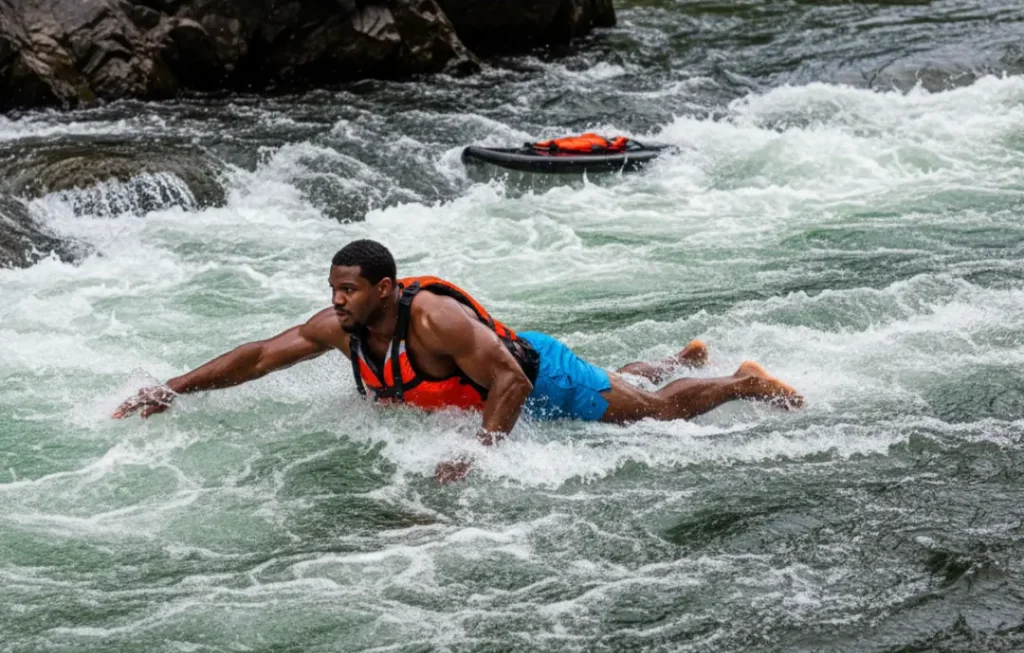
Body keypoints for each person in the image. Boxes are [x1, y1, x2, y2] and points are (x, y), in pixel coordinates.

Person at [113, 239, 803, 483]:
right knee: (627, 385)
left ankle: (743, 382)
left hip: (541, 374)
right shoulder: (343, 327)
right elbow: (260, 356)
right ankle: (671, 356)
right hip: (501, 377)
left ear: (386, 289)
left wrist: (482, 452)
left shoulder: (436, 319)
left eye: (347, 289)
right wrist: (170, 389)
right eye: (332, 288)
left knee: (655, 414)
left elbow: (508, 378)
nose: (335, 300)